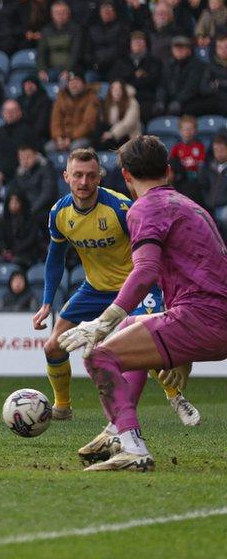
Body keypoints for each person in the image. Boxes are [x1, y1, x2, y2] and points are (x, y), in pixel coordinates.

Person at [58, 136, 227, 471]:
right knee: (128, 326)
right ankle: (114, 430)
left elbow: (146, 270)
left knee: (98, 354)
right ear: (168, 170)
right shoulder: (191, 206)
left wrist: (100, 321)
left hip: (201, 318)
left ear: (125, 176)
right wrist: (183, 351)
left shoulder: (145, 208)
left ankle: (133, 447)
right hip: (210, 315)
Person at [33, 147, 199, 426]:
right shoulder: (59, 214)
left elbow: (154, 249)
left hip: (136, 287)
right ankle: (62, 406)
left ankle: (176, 397)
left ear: (100, 177)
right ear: (66, 177)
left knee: (149, 344)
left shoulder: (120, 208)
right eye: (78, 175)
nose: (84, 182)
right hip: (94, 289)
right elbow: (54, 259)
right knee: (53, 346)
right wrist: (47, 301)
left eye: (90, 175)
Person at [46, 70, 99, 154]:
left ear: (84, 83)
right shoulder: (61, 98)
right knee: (48, 148)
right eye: (71, 81)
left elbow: (88, 124)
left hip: (83, 137)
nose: (73, 84)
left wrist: (70, 138)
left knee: (76, 147)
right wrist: (59, 137)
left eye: (77, 81)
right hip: (63, 138)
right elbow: (55, 121)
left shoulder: (91, 98)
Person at [97, 80, 141, 151]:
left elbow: (128, 124)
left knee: (106, 142)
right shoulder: (109, 104)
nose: (116, 91)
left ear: (123, 90)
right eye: (113, 89)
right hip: (114, 137)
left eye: (119, 89)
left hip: (129, 136)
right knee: (100, 129)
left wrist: (112, 134)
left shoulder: (132, 102)